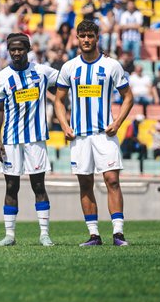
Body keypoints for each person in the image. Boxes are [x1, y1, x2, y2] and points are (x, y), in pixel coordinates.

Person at [54, 18, 135, 247]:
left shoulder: (111, 66)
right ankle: (94, 235)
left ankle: (118, 234)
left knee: (112, 180)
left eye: (91, 36)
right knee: (85, 183)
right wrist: (64, 125)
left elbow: (128, 96)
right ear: (77, 38)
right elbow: (59, 101)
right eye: (83, 36)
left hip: (104, 134)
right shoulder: (69, 67)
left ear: (97, 38)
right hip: (79, 136)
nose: (87, 40)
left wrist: (118, 122)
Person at [0, 33, 61, 247]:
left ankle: (44, 234)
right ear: (8, 50)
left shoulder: (42, 71)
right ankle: (10, 235)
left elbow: (66, 81)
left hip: (35, 139)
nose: (16, 52)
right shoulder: (1, 76)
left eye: (21, 48)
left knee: (38, 185)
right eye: (13, 49)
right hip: (11, 139)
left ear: (28, 49)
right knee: (11, 186)